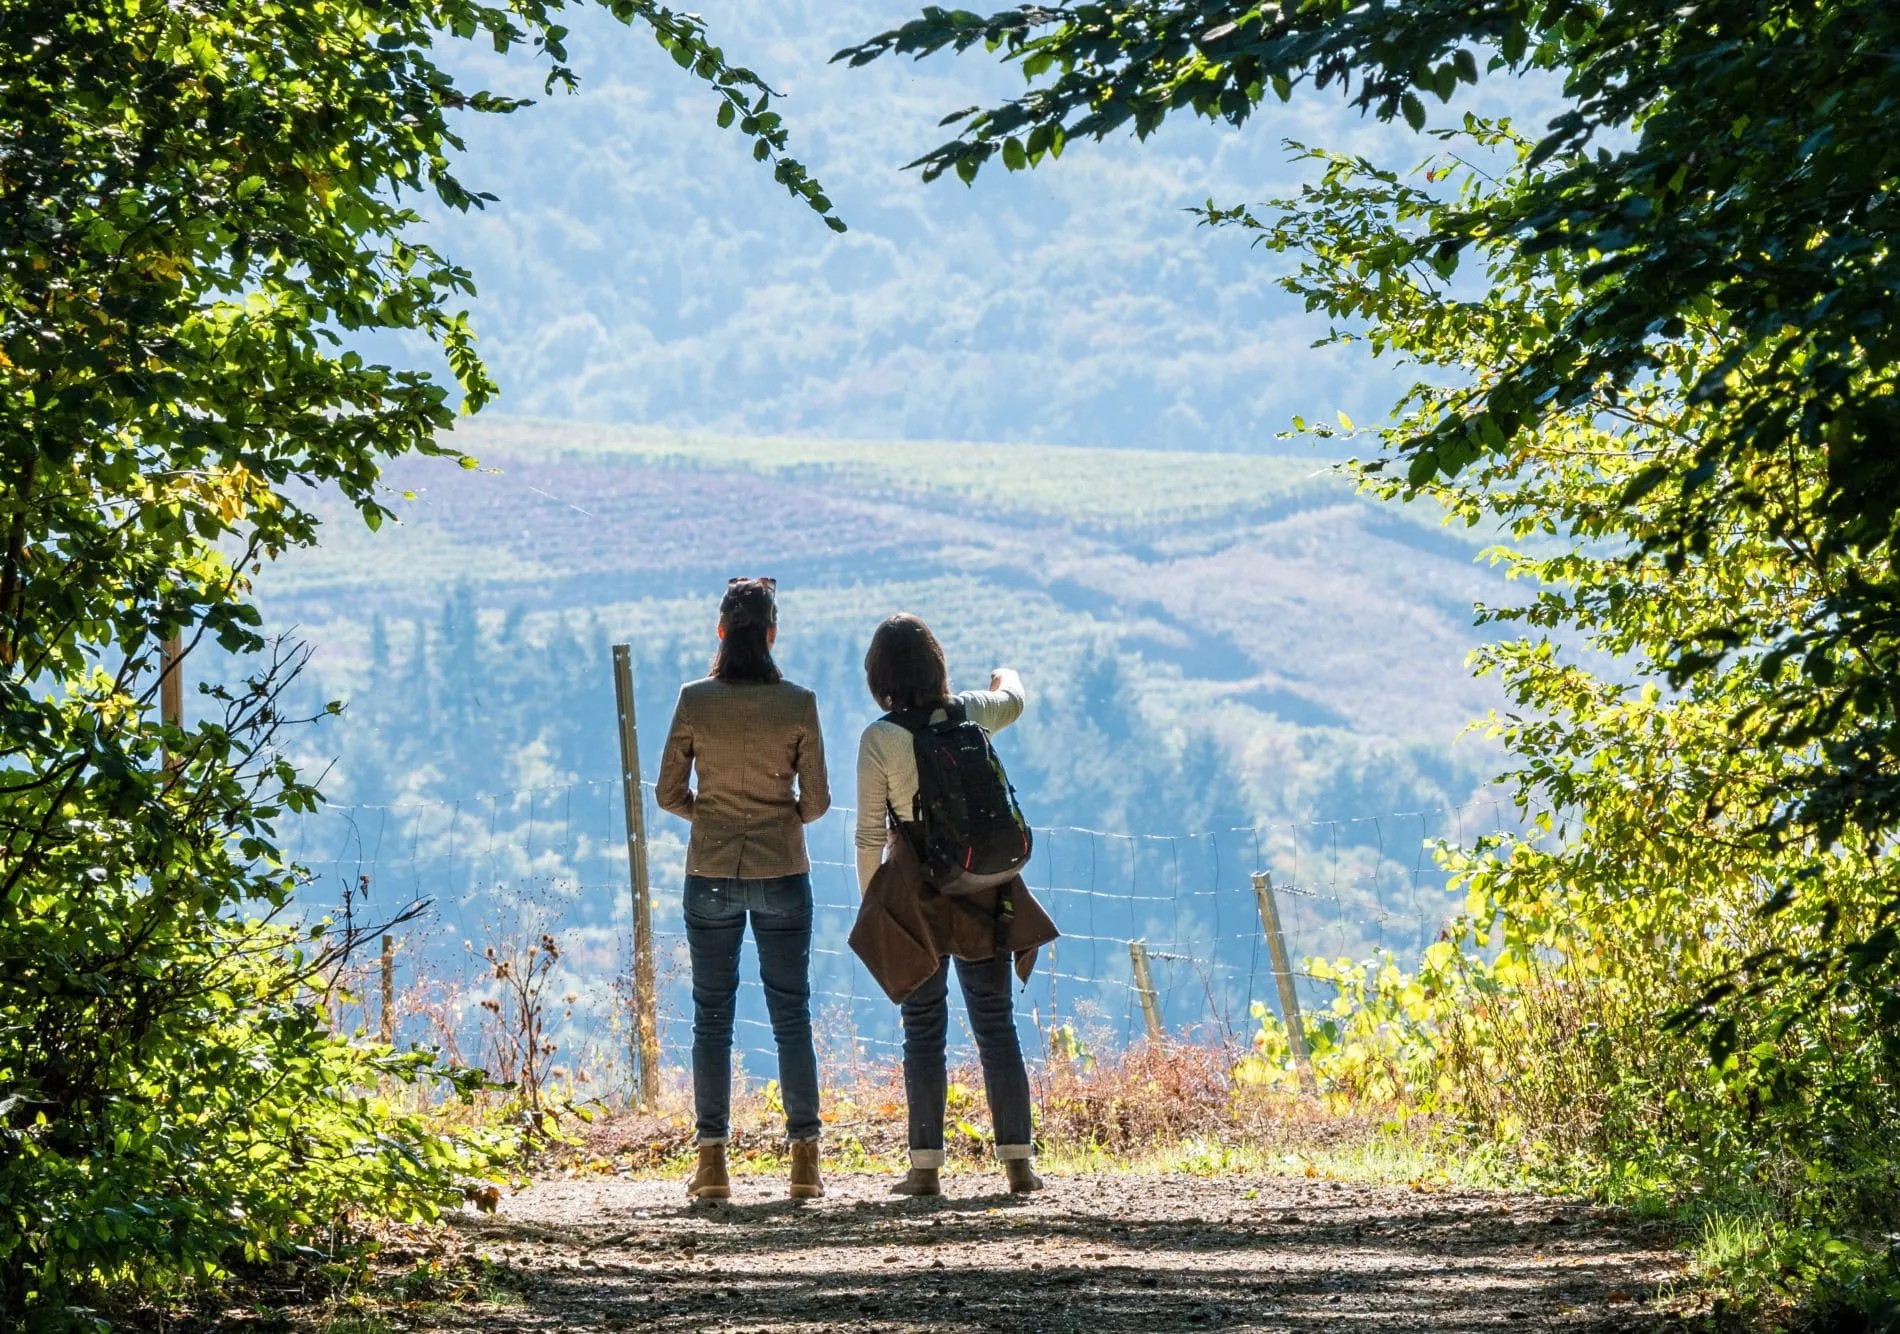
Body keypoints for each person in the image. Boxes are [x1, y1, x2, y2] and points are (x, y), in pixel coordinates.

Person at [849, 613, 1058, 1197]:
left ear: (880, 677)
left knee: (922, 1027)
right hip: (983, 885)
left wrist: (876, 906)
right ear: (936, 666)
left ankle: (925, 1167)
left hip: (917, 892)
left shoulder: (880, 739)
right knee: (995, 1024)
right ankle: (1018, 1163)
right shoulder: (969, 711)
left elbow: (869, 835)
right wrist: (1002, 674)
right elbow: (1012, 698)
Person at [656, 577, 830, 1201]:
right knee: (791, 1016)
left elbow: (667, 792)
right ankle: (804, 1161)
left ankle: (711, 1164)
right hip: (782, 870)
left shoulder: (694, 700)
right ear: (773, 634)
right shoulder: (799, 703)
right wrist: (778, 814)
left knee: (712, 1018)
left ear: (721, 632)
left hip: (709, 874)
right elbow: (817, 803)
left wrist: (712, 813)